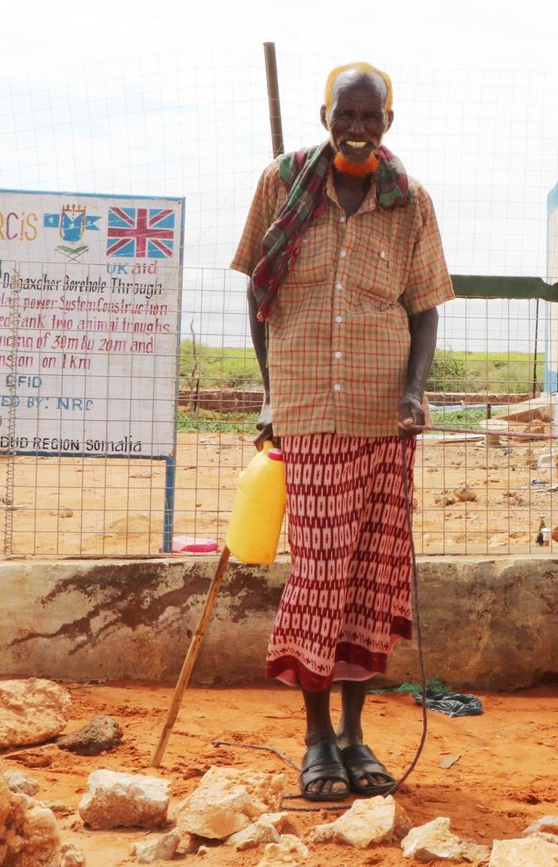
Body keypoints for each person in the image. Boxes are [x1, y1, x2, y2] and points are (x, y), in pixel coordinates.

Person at [230, 61, 453, 802]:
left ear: (389, 120)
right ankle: (316, 738)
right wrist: (270, 395)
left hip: (383, 417)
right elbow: (261, 296)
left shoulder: (410, 201)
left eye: (371, 118)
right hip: (309, 415)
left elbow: (424, 308)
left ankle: (357, 738)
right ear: (325, 115)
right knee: (321, 574)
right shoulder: (282, 183)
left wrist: (415, 390)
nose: (357, 131)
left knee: (370, 578)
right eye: (345, 117)